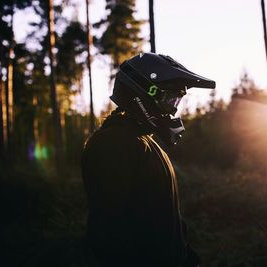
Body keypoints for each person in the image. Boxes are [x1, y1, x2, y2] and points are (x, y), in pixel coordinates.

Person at [81, 53, 215, 267]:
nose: (173, 108)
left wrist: (185, 255)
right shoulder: (113, 143)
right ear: (143, 93)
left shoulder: (144, 142)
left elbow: (160, 214)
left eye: (178, 100)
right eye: (169, 99)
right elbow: (109, 232)